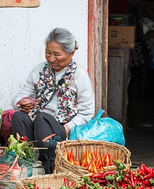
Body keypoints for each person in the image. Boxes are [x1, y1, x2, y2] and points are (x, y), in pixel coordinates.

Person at [11, 28, 95, 174]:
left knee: (42, 118)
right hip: (39, 128)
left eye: (57, 54)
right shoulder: (39, 71)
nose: (51, 58)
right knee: (18, 116)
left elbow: (87, 113)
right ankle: (26, 163)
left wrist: (66, 128)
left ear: (71, 53)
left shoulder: (79, 75)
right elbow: (18, 98)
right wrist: (22, 103)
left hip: (63, 130)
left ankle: (47, 168)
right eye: (48, 53)